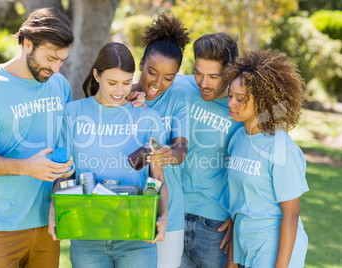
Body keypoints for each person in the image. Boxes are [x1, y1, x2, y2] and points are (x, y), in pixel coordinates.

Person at [0, 8, 145, 267]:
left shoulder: (58, 85)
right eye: (51, 58)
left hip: (48, 223)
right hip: (1, 224)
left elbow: (78, 127)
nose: (56, 68)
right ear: (27, 43)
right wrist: (25, 167)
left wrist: (128, 94)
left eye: (62, 61)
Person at [48, 42, 169, 268]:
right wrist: (54, 210)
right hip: (87, 233)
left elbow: (158, 179)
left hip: (137, 236)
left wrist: (163, 217)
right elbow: (64, 173)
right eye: (112, 83)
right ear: (96, 74)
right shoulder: (73, 113)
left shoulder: (148, 118)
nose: (120, 91)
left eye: (126, 83)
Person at [225, 50, 309, 268]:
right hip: (246, 246)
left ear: (263, 101)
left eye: (240, 98)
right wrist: (231, 263)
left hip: (273, 251)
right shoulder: (237, 139)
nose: (231, 103)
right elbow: (239, 207)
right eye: (230, 95)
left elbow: (291, 215)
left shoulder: (280, 146)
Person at [170, 33, 243, 268]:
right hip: (174, 215)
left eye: (213, 76)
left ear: (230, 73)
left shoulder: (241, 109)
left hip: (215, 226)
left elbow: (252, 169)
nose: (203, 83)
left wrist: (238, 217)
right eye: (199, 73)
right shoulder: (180, 87)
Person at [131, 13, 190, 268]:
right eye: (152, 72)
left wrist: (170, 154)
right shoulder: (121, 94)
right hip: (128, 203)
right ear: (141, 62)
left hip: (169, 211)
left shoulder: (178, 99)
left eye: (169, 77)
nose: (158, 84)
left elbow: (181, 148)